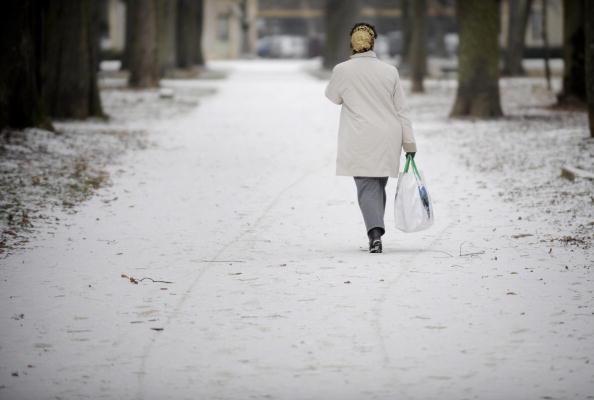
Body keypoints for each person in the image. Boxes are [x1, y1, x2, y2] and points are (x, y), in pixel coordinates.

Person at [325, 22, 417, 254]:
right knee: (377, 184)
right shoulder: (390, 71)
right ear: (373, 43)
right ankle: (376, 230)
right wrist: (409, 143)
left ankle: (374, 234)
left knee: (367, 186)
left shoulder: (342, 70)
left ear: (352, 44)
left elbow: (333, 97)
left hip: (359, 135)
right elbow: (401, 110)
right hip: (388, 137)